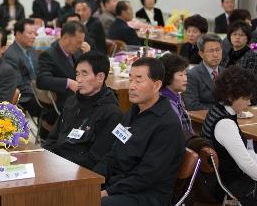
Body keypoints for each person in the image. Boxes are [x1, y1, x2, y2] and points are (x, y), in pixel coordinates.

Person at [94, 57, 185, 206]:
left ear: (156, 85)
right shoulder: (133, 112)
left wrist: (106, 192)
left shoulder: (168, 124)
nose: (131, 86)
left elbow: (147, 176)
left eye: (138, 80)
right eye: (130, 79)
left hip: (147, 195)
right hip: (119, 183)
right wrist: (93, 178)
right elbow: (113, 153)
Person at [43, 51, 122, 170]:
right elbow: (52, 139)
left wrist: (57, 164)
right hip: (54, 164)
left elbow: (95, 159)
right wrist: (44, 158)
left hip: (78, 173)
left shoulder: (111, 113)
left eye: (84, 74)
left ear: (100, 77)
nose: (78, 80)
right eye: (77, 74)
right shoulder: (72, 101)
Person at [201, 66, 257, 206]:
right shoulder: (225, 124)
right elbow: (247, 165)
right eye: (245, 98)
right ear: (231, 96)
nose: (249, 103)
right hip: (229, 186)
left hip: (220, 178)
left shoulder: (217, 109)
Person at [36, 21, 90, 139]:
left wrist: (88, 56)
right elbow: (41, 80)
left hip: (79, 97)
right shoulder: (49, 55)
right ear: (65, 38)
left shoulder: (75, 52)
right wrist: (68, 82)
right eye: (78, 42)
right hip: (61, 104)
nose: (80, 45)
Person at [3, 19, 41, 116]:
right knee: (49, 109)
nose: (34, 36)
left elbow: (39, 72)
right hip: (25, 96)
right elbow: (18, 84)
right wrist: (39, 91)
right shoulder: (11, 55)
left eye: (34, 33)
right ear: (18, 34)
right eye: (30, 33)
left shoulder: (32, 50)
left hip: (37, 90)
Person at [183, 34, 223, 111]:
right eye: (211, 51)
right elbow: (192, 105)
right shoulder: (192, 75)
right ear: (201, 54)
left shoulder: (226, 72)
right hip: (203, 118)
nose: (215, 55)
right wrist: (220, 112)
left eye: (218, 50)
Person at [160, 54, 193, 135]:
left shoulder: (177, 96)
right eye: (180, 75)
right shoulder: (164, 102)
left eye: (185, 74)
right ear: (168, 76)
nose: (185, 78)